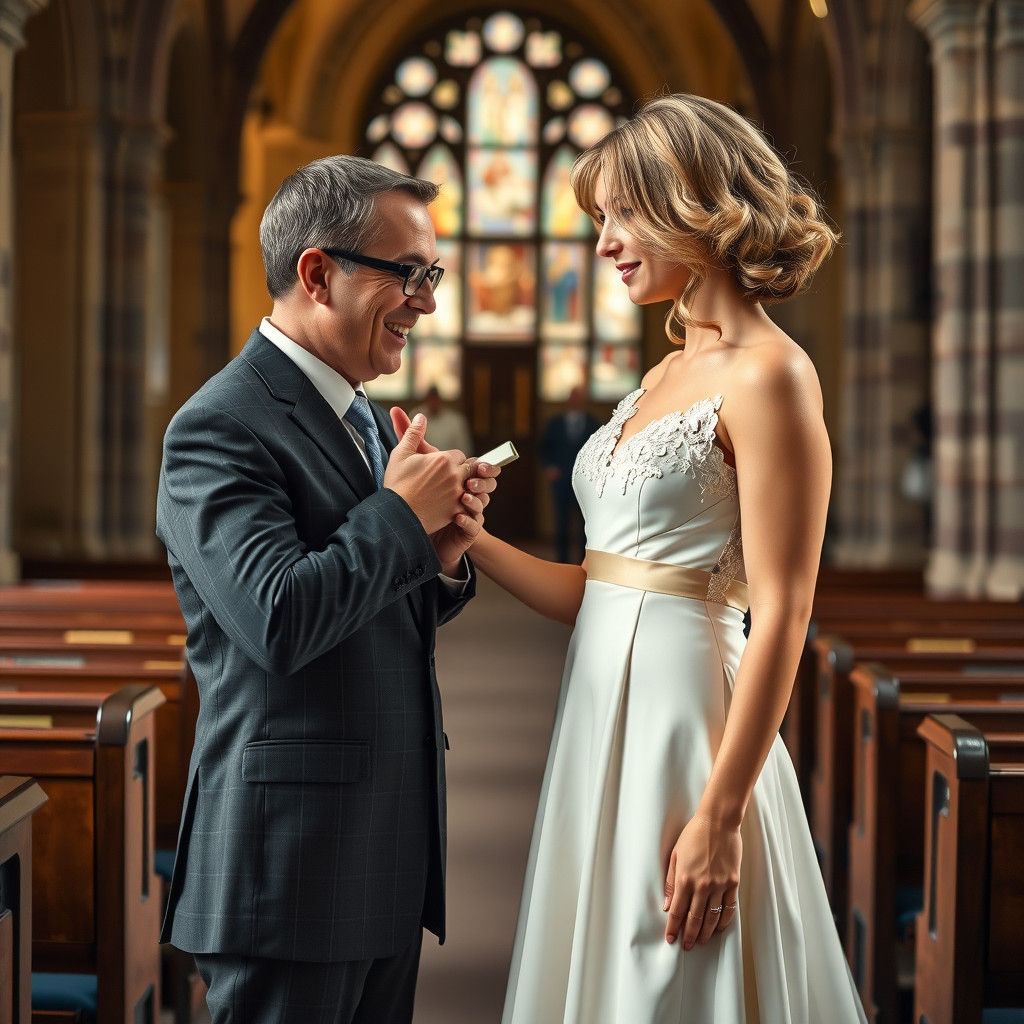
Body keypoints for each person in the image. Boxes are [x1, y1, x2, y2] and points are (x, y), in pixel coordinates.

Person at [467, 94, 867, 1022]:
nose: (604, 242)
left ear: (692, 201)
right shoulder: (660, 373)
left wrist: (721, 814)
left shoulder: (772, 374)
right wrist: (470, 539)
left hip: (690, 723)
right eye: (598, 219)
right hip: (595, 715)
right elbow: (601, 589)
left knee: (679, 973)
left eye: (623, 214)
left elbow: (785, 610)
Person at [155, 155, 500, 1024]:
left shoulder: (357, 414)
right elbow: (278, 618)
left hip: (380, 848)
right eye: (408, 273)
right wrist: (399, 516)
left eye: (433, 275)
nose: (426, 301)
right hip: (289, 868)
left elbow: (369, 608)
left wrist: (439, 554)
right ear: (317, 273)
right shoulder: (218, 426)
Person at [539, 384, 599, 563]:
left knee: (585, 524)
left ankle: (583, 561)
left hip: (584, 481)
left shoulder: (593, 423)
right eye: (573, 396)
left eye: (578, 397)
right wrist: (550, 467)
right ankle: (562, 561)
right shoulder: (555, 422)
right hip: (561, 479)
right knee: (562, 522)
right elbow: (544, 447)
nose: (575, 400)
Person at [412, 384, 473, 454]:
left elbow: (464, 449)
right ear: (426, 400)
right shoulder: (417, 418)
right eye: (431, 399)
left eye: (435, 399)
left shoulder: (456, 420)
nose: (433, 402)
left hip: (451, 459)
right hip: (424, 460)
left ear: (440, 400)